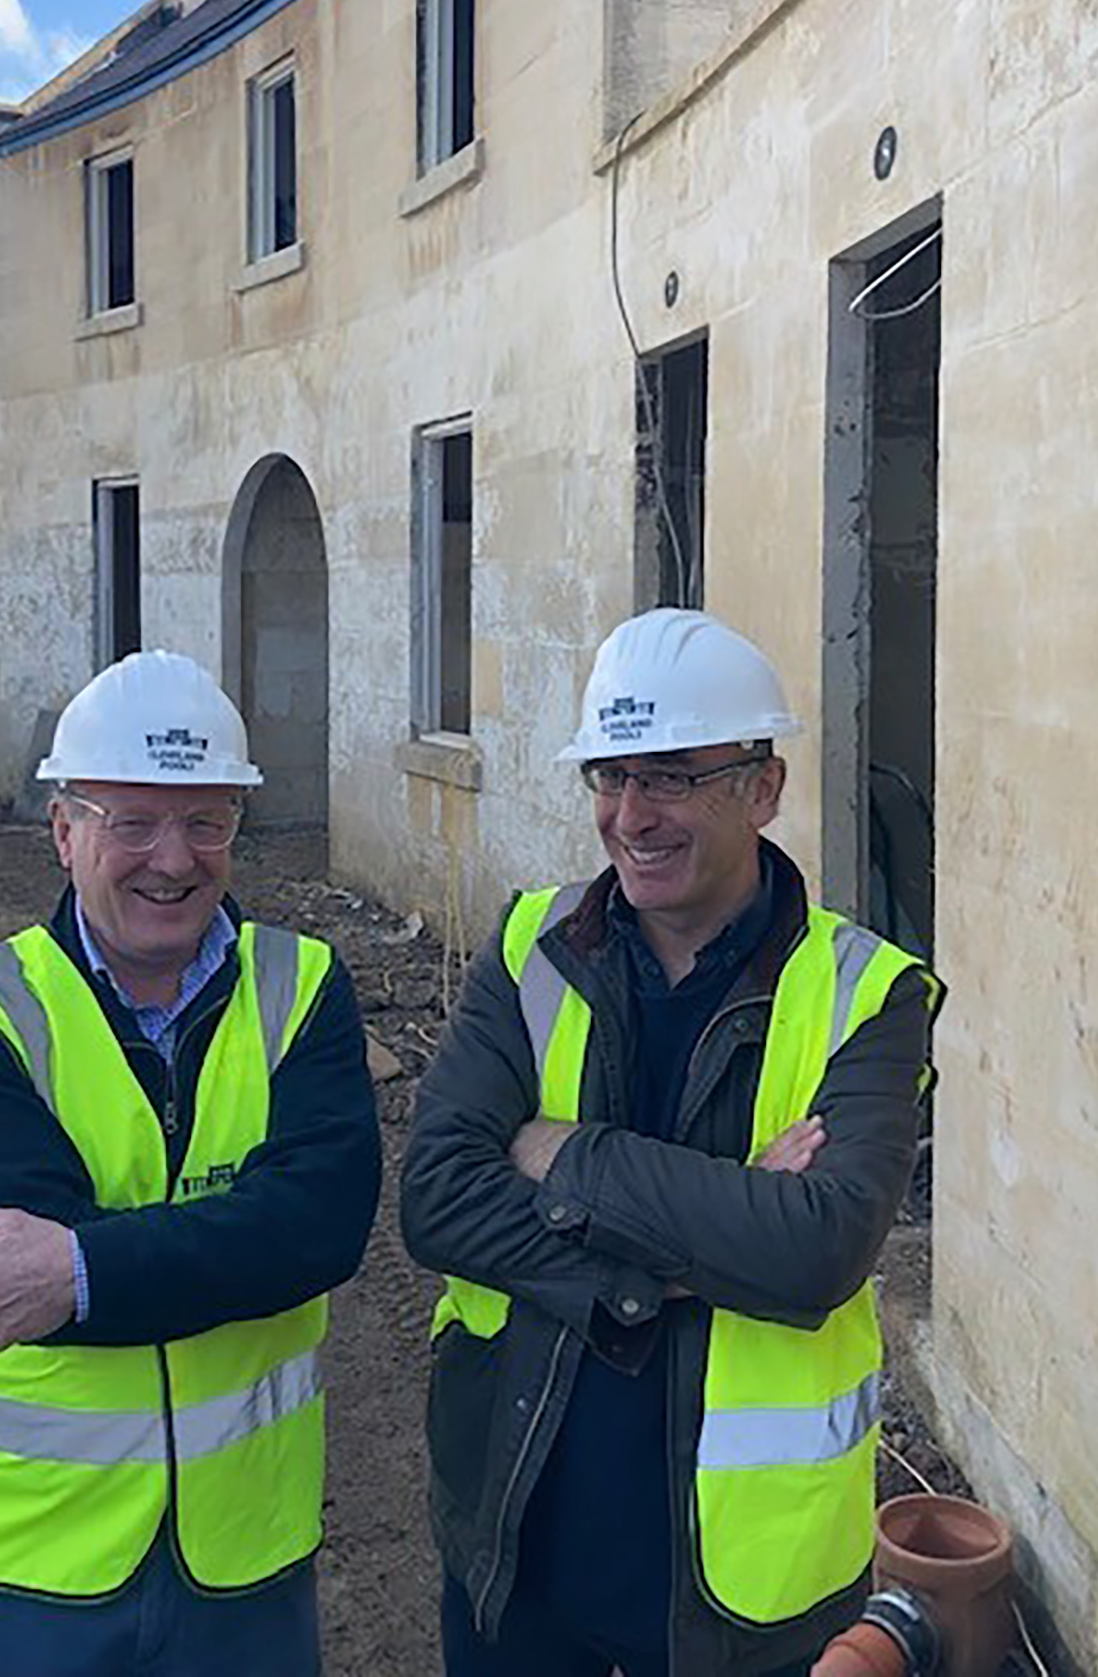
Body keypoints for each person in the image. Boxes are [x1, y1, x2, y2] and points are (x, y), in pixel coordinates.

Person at [401, 608, 941, 1677]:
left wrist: (566, 1152)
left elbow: (817, 1249)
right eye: (610, 776)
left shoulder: (866, 993)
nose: (631, 814)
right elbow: (438, 1200)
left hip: (743, 1592)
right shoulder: (530, 946)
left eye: (672, 777)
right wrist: (707, 1234)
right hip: (518, 1536)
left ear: (764, 788)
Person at [0, 650, 381, 1677]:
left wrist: (79, 1268)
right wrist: (243, 1234)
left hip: (243, 1564)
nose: (174, 858)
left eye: (206, 821)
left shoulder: (302, 987)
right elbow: (11, 1285)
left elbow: (322, 1226)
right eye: (133, 822)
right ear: (64, 831)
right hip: (22, 1566)